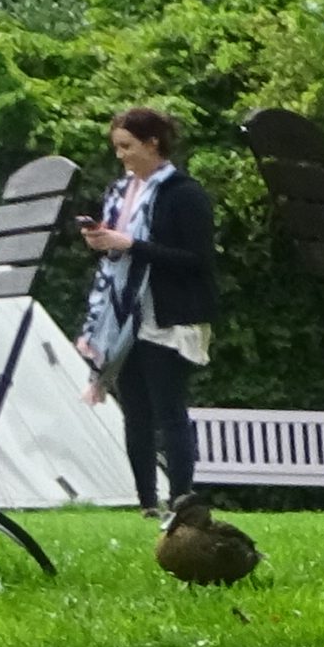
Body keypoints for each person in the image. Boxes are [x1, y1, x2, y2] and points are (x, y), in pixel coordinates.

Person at [80, 105, 217, 509]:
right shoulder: (119, 192)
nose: (120, 155)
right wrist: (102, 242)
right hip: (125, 316)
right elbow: (118, 257)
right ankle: (146, 502)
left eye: (127, 146)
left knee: (169, 410)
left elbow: (197, 260)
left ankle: (180, 500)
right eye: (117, 148)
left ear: (152, 143)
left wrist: (131, 245)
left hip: (168, 316)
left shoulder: (185, 194)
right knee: (135, 413)